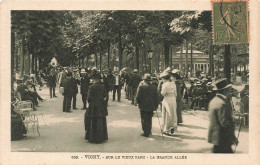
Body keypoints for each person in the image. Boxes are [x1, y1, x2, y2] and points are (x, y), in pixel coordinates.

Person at [208, 78, 238, 153]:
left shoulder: (214, 101)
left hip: (216, 139)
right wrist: (233, 138)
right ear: (225, 90)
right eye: (229, 89)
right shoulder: (222, 103)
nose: (230, 91)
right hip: (223, 139)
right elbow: (225, 123)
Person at [84, 73, 108, 143]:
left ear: (94, 79)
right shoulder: (102, 86)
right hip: (101, 106)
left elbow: (89, 98)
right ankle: (101, 137)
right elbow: (105, 96)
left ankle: (92, 137)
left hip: (93, 107)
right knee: (101, 121)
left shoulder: (91, 87)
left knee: (93, 121)